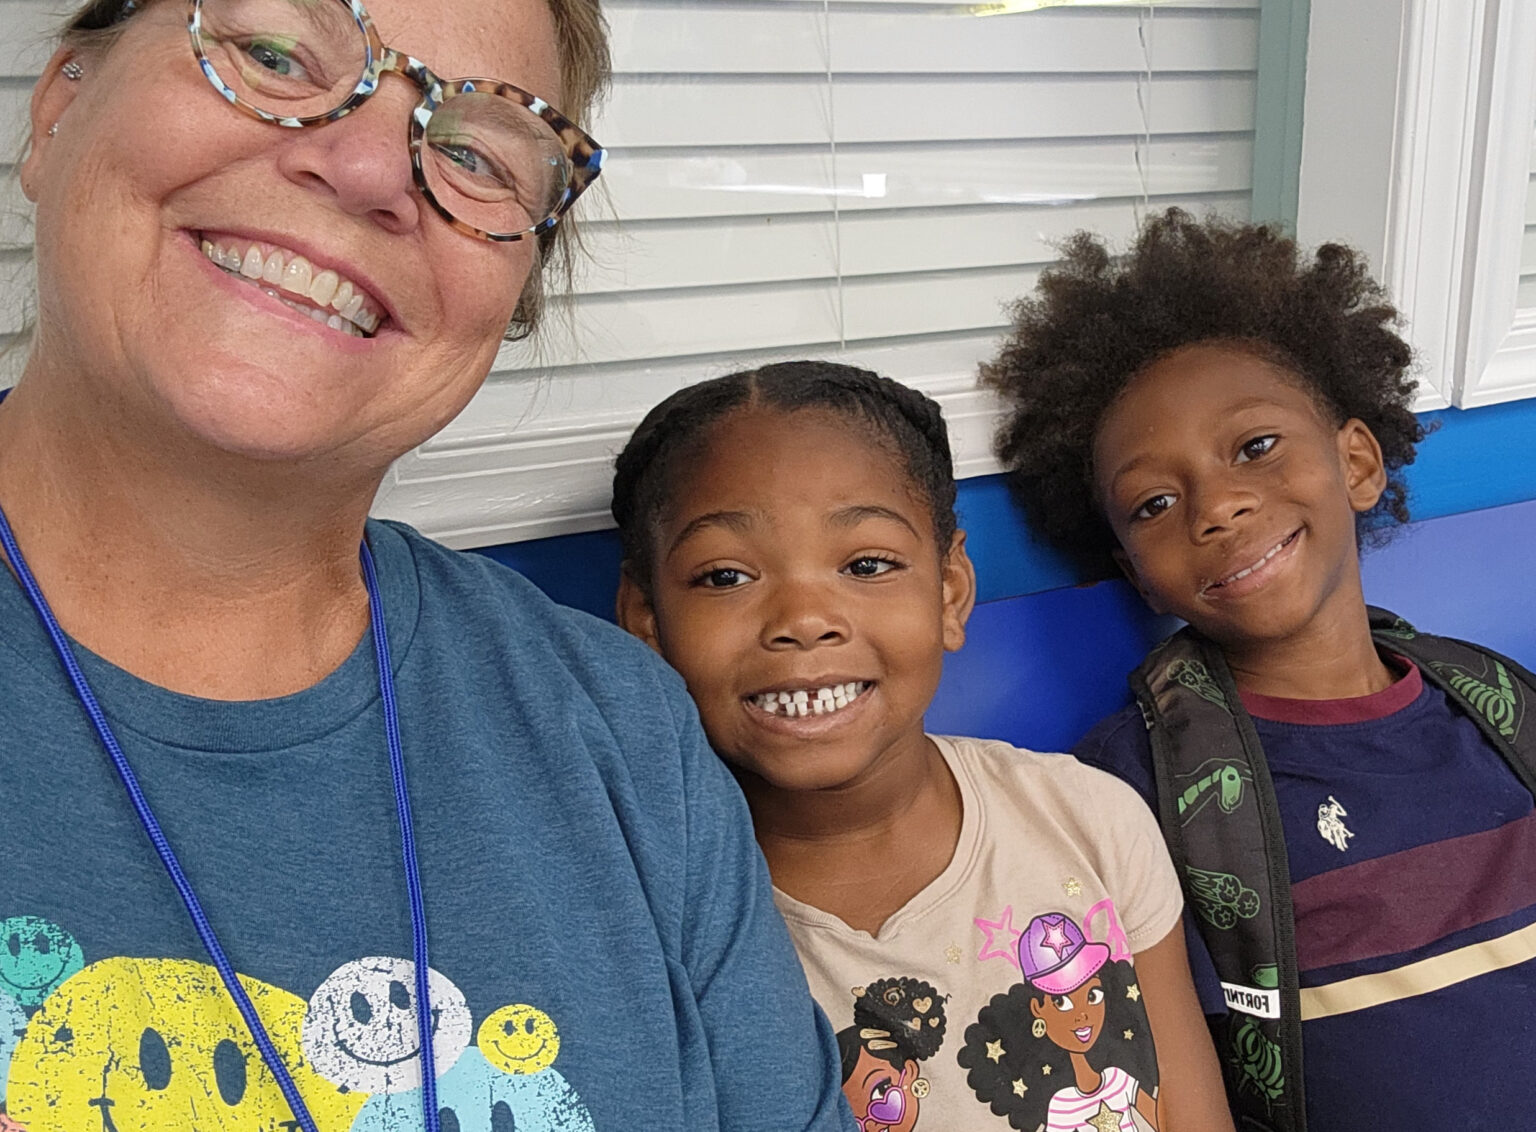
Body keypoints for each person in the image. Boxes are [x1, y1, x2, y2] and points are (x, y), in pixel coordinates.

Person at [0, 0, 850, 1129]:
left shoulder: (622, 736)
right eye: (271, 54)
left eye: (472, 152)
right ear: (57, 110)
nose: (365, 170)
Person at [983, 207, 1536, 1130]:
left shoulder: (1498, 705)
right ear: (1134, 570)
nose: (1219, 505)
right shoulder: (1133, 791)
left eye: (1255, 447)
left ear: (1356, 462)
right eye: (1156, 502)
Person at [610, 361, 1233, 1131]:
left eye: (866, 565)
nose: (804, 619)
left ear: (948, 591)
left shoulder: (1091, 822)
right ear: (645, 621)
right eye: (726, 575)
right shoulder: (645, 921)